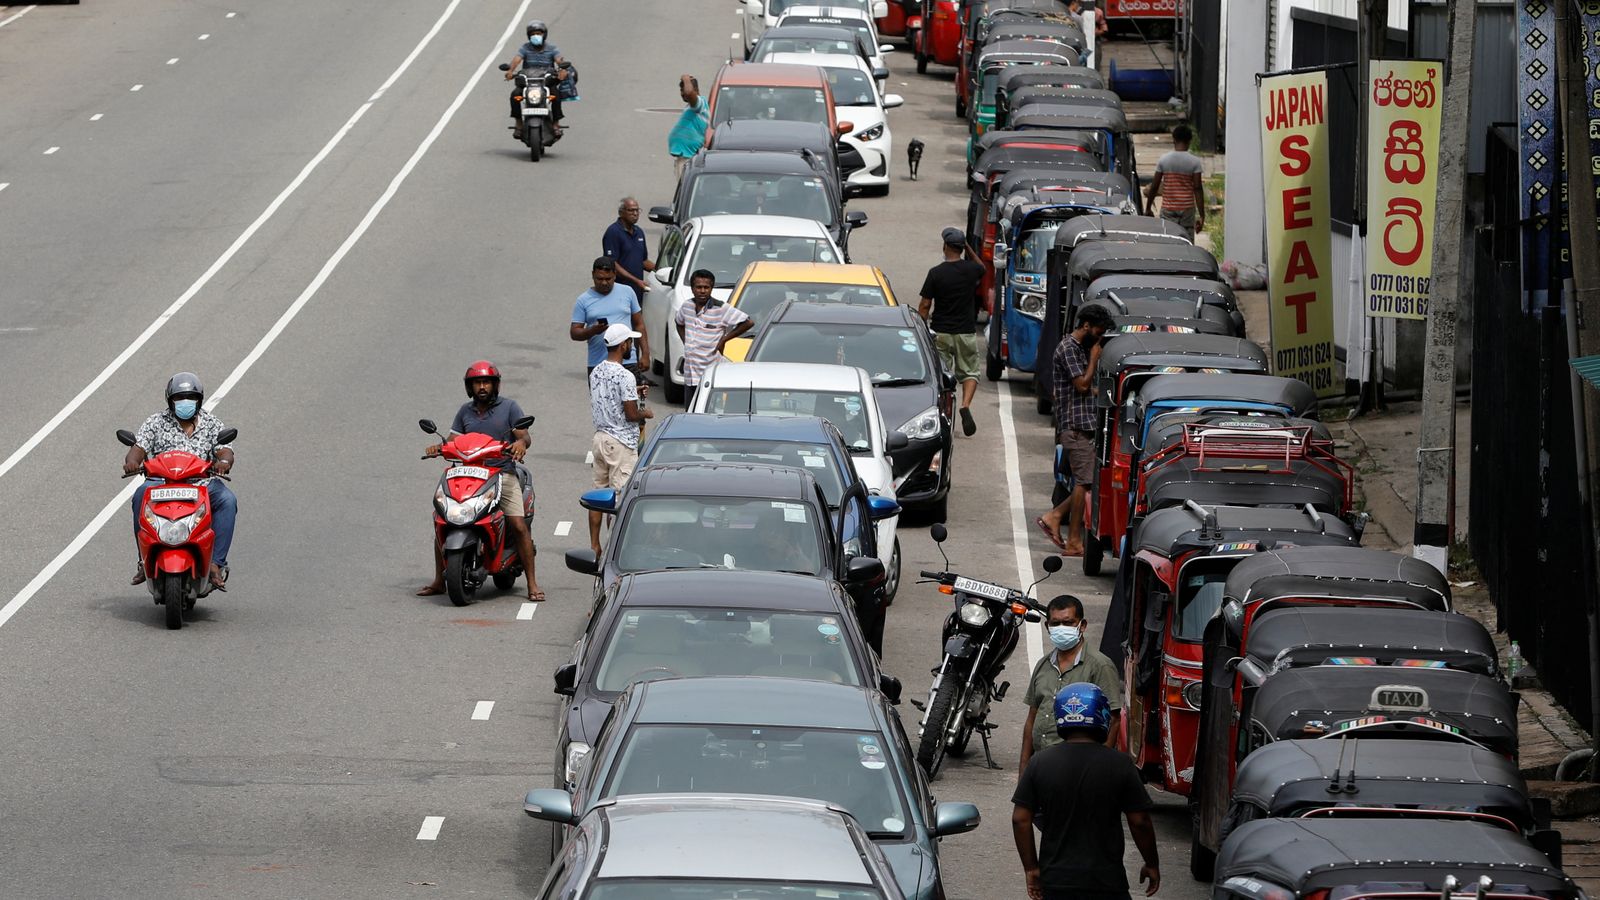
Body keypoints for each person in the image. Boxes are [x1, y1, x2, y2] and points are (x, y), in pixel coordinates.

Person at [1013, 683, 1160, 900]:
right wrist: (1151, 863)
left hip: (1055, 882)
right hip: (1106, 883)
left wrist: (1031, 868)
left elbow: (1020, 819)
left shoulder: (1040, 763)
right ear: (1101, 715)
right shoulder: (1120, 764)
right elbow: (1140, 822)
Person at [417, 362, 544, 601]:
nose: (482, 387)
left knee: (518, 524)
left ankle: (532, 584)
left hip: (502, 474)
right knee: (444, 519)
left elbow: (523, 435)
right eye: (477, 383)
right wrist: (440, 447)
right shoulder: (465, 412)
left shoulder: (509, 407)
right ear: (470, 387)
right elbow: (453, 440)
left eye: (486, 382)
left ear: (495, 385)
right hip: (469, 474)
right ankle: (438, 580)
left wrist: (520, 444)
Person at [124, 373, 238, 590]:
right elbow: (137, 449)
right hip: (160, 484)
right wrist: (132, 462)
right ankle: (144, 560)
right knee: (140, 495)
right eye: (180, 398)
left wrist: (223, 461)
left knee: (227, 500)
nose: (185, 403)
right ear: (170, 400)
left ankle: (215, 563)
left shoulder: (212, 424)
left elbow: (225, 450)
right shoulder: (156, 422)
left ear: (199, 400)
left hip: (200, 485)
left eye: (190, 398)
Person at [1037, 304, 1114, 554]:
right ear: (1086, 326)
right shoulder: (1070, 348)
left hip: (1082, 424)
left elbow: (1082, 390)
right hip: (1075, 427)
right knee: (1084, 482)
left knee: (1089, 481)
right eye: (1098, 331)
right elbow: (1081, 385)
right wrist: (1094, 359)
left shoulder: (1078, 348)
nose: (1099, 337)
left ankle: (1055, 516)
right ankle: (1072, 540)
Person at [1020, 595, 1123, 772]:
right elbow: (1032, 718)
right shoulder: (1043, 665)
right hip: (1041, 765)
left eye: (1068, 623)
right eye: (1055, 623)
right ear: (1047, 626)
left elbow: (1113, 720)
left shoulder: (1100, 665)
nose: (1061, 628)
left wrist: (1096, 769)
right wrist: (1024, 769)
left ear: (1082, 626)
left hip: (1077, 768)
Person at [589, 324, 654, 555]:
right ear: (623, 344)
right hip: (621, 444)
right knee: (619, 498)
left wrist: (633, 392)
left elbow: (609, 398)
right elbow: (631, 414)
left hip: (600, 439)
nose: (632, 347)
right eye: (630, 342)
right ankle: (613, 550)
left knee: (598, 495)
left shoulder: (596, 371)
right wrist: (645, 412)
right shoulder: (625, 375)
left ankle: (595, 544)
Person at [918, 226, 986, 437]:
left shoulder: (936, 273)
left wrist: (920, 328)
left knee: (941, 375)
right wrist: (968, 246)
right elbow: (982, 267)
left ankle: (943, 410)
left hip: (942, 332)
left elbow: (925, 305)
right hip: (965, 332)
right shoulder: (971, 270)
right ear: (961, 247)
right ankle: (965, 405)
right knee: (970, 372)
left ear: (945, 246)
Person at [675, 268, 753, 408]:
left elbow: (748, 322)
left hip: (708, 376)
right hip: (690, 374)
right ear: (692, 289)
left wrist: (724, 339)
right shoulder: (687, 306)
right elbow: (679, 322)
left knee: (705, 414)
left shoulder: (720, 309)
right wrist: (686, 342)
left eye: (706, 287)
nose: (702, 291)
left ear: (711, 288)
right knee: (690, 413)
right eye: (699, 287)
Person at [571, 257, 649, 378]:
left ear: (615, 275)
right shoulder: (583, 300)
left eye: (608, 279)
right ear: (593, 275)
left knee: (629, 397)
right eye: (599, 279)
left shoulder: (628, 292)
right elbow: (574, 332)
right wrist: (592, 330)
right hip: (598, 364)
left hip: (627, 362)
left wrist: (645, 354)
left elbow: (639, 324)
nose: (604, 283)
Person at [503, 20, 570, 140]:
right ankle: (519, 123)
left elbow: (559, 60)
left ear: (544, 34)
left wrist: (562, 69)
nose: (536, 36)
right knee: (515, 95)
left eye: (539, 33)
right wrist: (510, 71)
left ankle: (555, 123)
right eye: (533, 34)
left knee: (556, 95)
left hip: (546, 82)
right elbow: (517, 59)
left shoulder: (552, 48)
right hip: (528, 82)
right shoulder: (525, 48)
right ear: (529, 36)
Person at [1145, 123, 1206, 240]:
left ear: (1174, 140)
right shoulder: (1195, 162)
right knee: (1187, 241)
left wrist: (1148, 208)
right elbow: (1197, 188)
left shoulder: (1164, 160)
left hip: (1168, 210)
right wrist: (1202, 215)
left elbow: (1155, 186)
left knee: (1169, 241)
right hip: (1187, 209)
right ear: (1189, 141)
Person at [603, 198, 655, 299]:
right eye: (631, 210)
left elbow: (643, 261)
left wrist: (662, 270)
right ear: (621, 213)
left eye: (637, 210)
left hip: (637, 291)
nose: (635, 213)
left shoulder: (639, 232)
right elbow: (612, 264)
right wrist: (636, 281)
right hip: (619, 292)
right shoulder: (613, 232)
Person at [669, 74, 709, 182]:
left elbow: (689, 93)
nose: (683, 94)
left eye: (684, 89)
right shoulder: (692, 108)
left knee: (685, 195)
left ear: (696, 89)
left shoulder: (700, 104)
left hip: (689, 159)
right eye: (681, 90)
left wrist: (686, 78)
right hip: (685, 158)